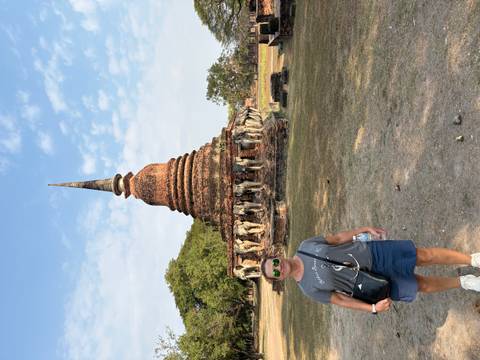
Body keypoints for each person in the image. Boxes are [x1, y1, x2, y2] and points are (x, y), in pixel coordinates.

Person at [260, 227, 480, 314]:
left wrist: (363, 229)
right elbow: (341, 300)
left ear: (278, 257)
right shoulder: (307, 288)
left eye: (275, 264)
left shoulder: (306, 246)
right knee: (421, 285)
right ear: (279, 278)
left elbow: (336, 239)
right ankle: (464, 282)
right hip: (370, 283)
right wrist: (372, 308)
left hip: (373, 253)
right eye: (276, 272)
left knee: (423, 256)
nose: (280, 268)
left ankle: (471, 259)